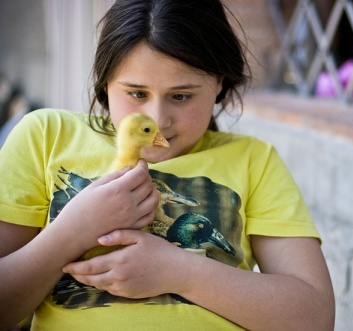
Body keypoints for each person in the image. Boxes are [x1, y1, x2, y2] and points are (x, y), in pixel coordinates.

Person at [0, 0, 335, 330]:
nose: (158, 121)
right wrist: (73, 232)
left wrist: (180, 272)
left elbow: (314, 319)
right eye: (136, 93)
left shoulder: (255, 161)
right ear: (105, 81)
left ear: (219, 82)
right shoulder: (45, 136)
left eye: (181, 96)